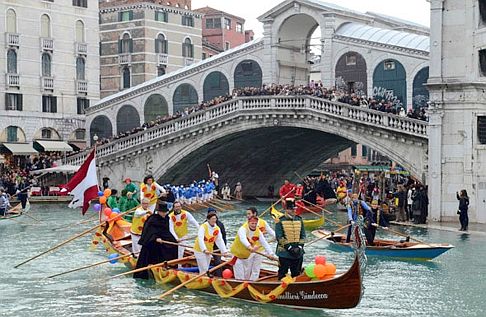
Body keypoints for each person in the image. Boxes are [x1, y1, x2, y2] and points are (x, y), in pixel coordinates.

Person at [134, 202, 178, 279]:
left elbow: (168, 230)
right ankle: (149, 266)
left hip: (163, 236)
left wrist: (175, 238)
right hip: (151, 240)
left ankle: (169, 264)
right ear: (159, 212)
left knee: (173, 243)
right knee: (150, 249)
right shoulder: (152, 219)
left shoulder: (167, 218)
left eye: (165, 212)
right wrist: (155, 238)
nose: (164, 214)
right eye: (163, 212)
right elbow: (149, 231)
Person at [231, 216, 276, 281]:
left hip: (246, 256)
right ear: (248, 222)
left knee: (246, 276)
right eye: (252, 223)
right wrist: (249, 246)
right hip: (237, 255)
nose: (254, 225)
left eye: (255, 223)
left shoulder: (258, 232)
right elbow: (243, 239)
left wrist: (271, 254)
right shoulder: (242, 229)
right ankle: (241, 287)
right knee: (240, 277)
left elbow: (264, 243)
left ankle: (247, 286)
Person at [275, 199, 305, 280]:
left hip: (298, 252)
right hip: (284, 253)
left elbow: (303, 235)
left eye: (294, 209)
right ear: (286, 209)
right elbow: (279, 237)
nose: (293, 211)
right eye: (291, 209)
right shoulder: (280, 220)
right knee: (282, 273)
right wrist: (289, 248)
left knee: (296, 274)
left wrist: (300, 247)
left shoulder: (299, 219)